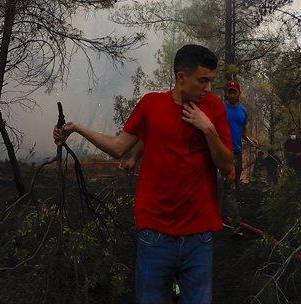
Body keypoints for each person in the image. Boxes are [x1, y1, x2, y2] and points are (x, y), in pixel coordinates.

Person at [54, 44, 234, 304]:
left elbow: (227, 166)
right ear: (181, 78)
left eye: (211, 81)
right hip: (155, 235)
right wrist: (78, 128)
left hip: (199, 236)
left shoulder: (214, 108)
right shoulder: (151, 105)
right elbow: (118, 147)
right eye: (202, 80)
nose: (208, 89)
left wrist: (209, 130)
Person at [221, 79, 257, 233]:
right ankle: (235, 223)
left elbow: (243, 133)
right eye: (229, 91)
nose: (232, 94)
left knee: (234, 185)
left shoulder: (242, 111)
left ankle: (224, 213)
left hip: (237, 151)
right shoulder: (221, 108)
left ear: (239, 93)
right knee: (230, 186)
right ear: (226, 93)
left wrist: (250, 139)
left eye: (234, 91)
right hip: (224, 152)